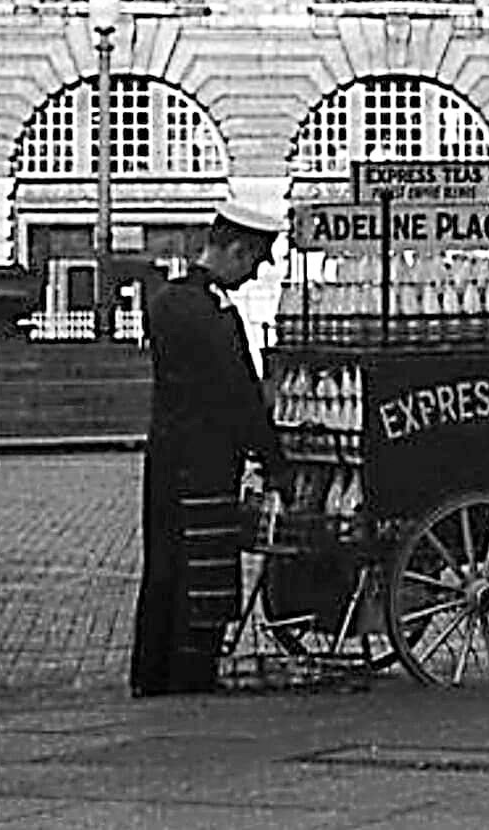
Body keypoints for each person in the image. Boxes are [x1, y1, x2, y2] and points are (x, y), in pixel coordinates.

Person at [130, 200, 289, 697]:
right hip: (205, 460)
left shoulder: (168, 300)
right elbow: (238, 394)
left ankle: (155, 672)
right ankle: (190, 672)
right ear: (236, 251)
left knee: (166, 563)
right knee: (203, 565)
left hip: (169, 454)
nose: (256, 272)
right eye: (256, 261)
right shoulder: (213, 313)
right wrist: (273, 458)